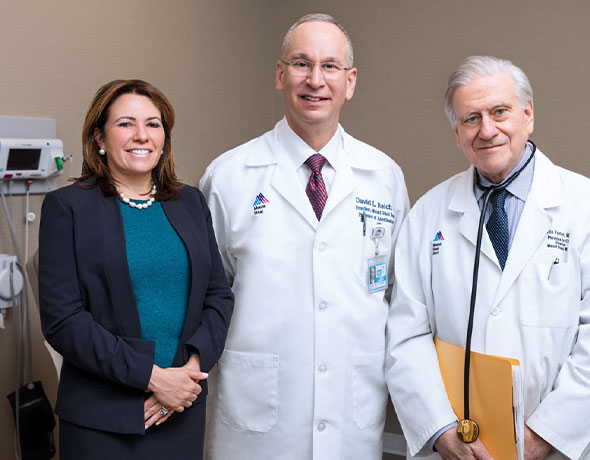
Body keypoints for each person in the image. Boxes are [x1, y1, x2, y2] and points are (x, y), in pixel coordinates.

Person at [385, 56, 590, 460]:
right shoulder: (428, 214)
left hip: (564, 445)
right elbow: (407, 334)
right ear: (457, 132)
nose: (487, 130)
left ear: (528, 114)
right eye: (471, 118)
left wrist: (543, 436)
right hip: (463, 445)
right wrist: (440, 430)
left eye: (500, 112)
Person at [200, 13, 409, 460]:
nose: (316, 80)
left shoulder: (384, 177)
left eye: (330, 66)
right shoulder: (229, 176)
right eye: (301, 63)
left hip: (352, 413)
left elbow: (395, 293)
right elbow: (207, 296)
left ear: (350, 82)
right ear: (280, 75)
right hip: (254, 417)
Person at [38, 79, 234, 459]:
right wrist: (154, 378)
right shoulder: (68, 208)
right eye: (126, 124)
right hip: (103, 420)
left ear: (164, 138)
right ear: (100, 136)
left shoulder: (190, 202)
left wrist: (188, 375)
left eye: (154, 124)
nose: (141, 136)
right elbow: (63, 320)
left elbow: (218, 296)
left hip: (181, 409)